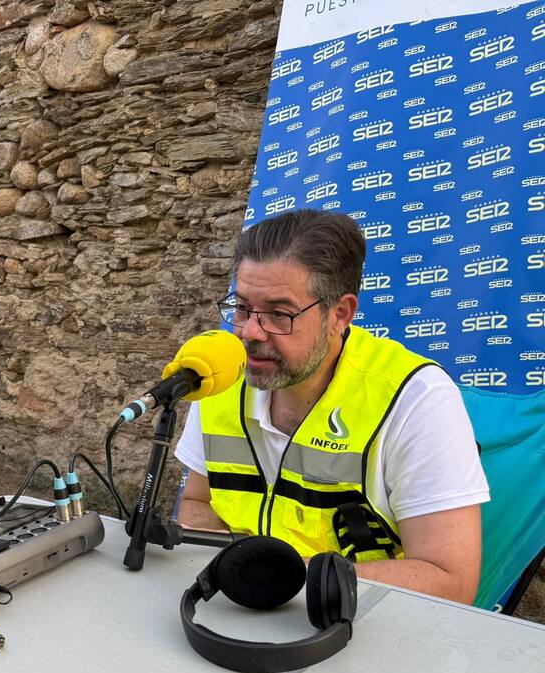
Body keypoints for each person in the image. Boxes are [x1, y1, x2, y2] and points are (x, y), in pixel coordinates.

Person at [175, 209, 489, 604]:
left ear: (340, 314)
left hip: (363, 624)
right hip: (236, 606)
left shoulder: (416, 398)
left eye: (279, 314)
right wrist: (233, 570)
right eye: (242, 308)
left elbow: (450, 580)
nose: (249, 332)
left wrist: (286, 579)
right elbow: (196, 502)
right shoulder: (223, 373)